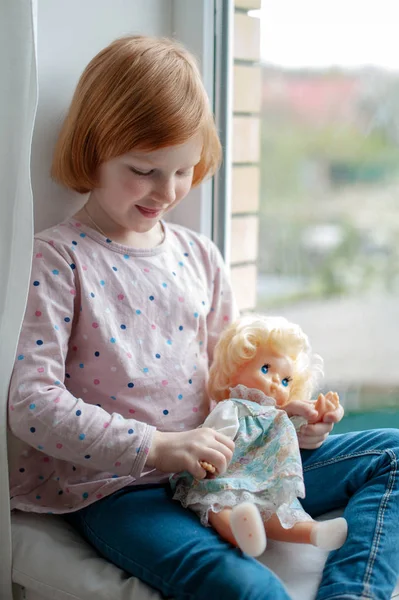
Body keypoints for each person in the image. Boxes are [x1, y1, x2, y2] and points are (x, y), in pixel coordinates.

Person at [7, 35, 399, 600]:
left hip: (235, 462)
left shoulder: (200, 256)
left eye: (183, 171)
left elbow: (230, 388)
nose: (166, 191)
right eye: (144, 170)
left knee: (389, 453)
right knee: (242, 588)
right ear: (94, 148)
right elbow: (34, 405)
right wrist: (160, 448)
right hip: (122, 488)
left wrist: (287, 419)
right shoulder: (59, 259)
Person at [170, 315, 347, 558]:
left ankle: (315, 533)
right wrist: (206, 459)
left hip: (263, 479)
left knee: (280, 510)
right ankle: (241, 533)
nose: (276, 382)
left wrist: (321, 412)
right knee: (216, 506)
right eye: (266, 369)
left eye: (286, 380)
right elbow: (216, 433)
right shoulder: (232, 408)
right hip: (224, 473)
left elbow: (301, 424)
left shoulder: (279, 416)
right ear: (234, 371)